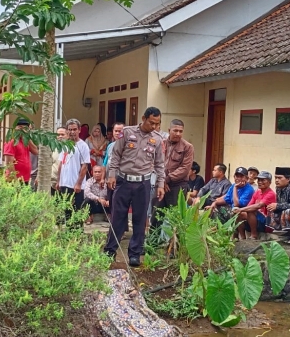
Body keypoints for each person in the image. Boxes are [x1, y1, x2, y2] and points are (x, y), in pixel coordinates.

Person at [105, 107, 165, 267]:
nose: (154, 126)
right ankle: (110, 251)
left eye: (157, 124)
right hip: (123, 181)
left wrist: (160, 184)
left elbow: (160, 164)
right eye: (151, 122)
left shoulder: (158, 139)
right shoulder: (127, 132)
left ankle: (135, 254)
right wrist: (111, 175)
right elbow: (116, 154)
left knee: (140, 220)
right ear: (143, 118)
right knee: (118, 218)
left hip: (143, 184)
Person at [151, 119, 194, 227]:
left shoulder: (188, 147)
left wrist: (167, 179)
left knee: (175, 219)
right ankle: (153, 243)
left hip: (177, 187)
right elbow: (152, 162)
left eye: (181, 131)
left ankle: (174, 244)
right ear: (169, 130)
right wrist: (162, 181)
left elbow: (185, 168)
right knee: (156, 216)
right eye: (175, 130)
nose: (178, 133)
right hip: (160, 185)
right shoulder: (161, 144)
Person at [57, 118, 91, 214]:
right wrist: (58, 180)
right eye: (70, 129)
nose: (72, 132)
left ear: (79, 130)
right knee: (66, 212)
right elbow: (61, 163)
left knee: (76, 211)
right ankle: (68, 229)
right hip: (64, 183)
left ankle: (77, 229)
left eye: (75, 129)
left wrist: (79, 183)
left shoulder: (83, 145)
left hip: (76, 185)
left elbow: (84, 166)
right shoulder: (65, 144)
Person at [234, 171, 277, 240]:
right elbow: (249, 205)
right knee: (238, 213)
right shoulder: (258, 192)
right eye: (259, 180)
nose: (260, 182)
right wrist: (239, 211)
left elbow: (258, 206)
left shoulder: (270, 194)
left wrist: (241, 209)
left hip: (268, 222)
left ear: (269, 182)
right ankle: (242, 237)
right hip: (257, 219)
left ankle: (254, 235)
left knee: (250, 211)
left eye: (263, 180)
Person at [3, 118, 38, 185]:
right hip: (14, 180)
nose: (22, 129)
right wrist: (15, 181)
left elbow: (36, 151)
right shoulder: (11, 141)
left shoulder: (25, 141)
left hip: (25, 179)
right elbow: (9, 163)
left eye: (25, 128)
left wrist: (27, 137)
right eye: (20, 127)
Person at [50, 126, 68, 195]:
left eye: (62, 134)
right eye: (58, 135)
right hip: (52, 183)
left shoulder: (70, 149)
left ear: (67, 136)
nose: (60, 136)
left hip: (65, 184)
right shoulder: (52, 148)